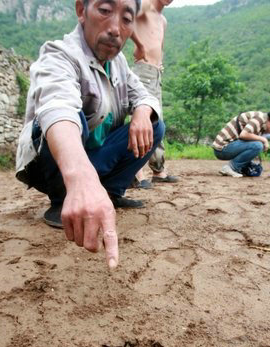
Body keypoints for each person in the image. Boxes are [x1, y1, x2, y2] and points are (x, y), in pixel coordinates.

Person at [16, 0, 165, 269]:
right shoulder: (59, 54)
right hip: (60, 165)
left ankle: (109, 192)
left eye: (126, 19)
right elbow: (57, 108)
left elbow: (144, 94)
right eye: (105, 11)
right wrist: (81, 178)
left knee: (155, 124)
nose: (115, 29)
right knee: (69, 120)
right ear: (82, 11)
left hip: (92, 160)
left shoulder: (119, 63)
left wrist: (142, 111)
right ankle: (62, 199)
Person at [130, 0, 178, 188]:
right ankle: (136, 173)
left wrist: (159, 64)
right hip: (143, 71)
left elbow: (159, 45)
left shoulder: (163, 20)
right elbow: (124, 18)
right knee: (140, 120)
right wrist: (139, 45)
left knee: (157, 122)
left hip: (156, 73)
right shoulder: (145, 6)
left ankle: (158, 170)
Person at [213, 110, 270, 177]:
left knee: (258, 144)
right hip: (222, 149)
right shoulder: (259, 119)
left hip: (227, 147)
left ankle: (240, 167)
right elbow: (244, 135)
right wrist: (264, 140)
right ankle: (231, 168)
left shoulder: (263, 121)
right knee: (258, 145)